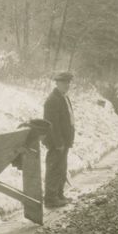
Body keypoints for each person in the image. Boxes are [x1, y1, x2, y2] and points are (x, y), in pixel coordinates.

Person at [43, 71, 76, 208]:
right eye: (64, 83)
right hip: (57, 142)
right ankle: (51, 198)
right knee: (54, 168)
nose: (67, 85)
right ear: (57, 83)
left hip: (64, 141)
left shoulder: (63, 97)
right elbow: (52, 124)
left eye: (68, 83)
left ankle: (59, 194)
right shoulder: (53, 100)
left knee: (61, 168)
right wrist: (58, 143)